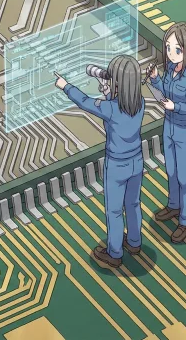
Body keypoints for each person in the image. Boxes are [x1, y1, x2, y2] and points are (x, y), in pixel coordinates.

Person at [54, 55, 145, 268]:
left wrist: (65, 86)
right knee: (132, 204)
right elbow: (118, 108)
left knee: (114, 211)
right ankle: (134, 241)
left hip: (117, 165)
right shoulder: (138, 103)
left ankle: (114, 253)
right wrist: (108, 93)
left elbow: (85, 102)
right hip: (137, 161)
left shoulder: (111, 108)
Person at [145, 22, 186, 244]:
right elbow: (165, 93)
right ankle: (173, 205)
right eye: (168, 47)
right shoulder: (170, 70)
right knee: (171, 170)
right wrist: (155, 80)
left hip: (185, 131)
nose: (170, 53)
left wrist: (175, 107)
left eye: (175, 49)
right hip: (169, 127)